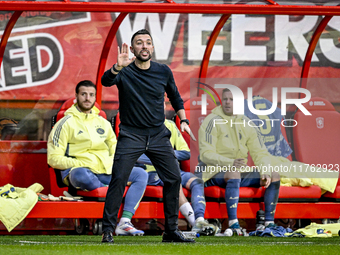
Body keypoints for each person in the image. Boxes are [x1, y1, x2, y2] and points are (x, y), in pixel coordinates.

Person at [100, 29, 195, 243]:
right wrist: (118, 66)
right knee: (119, 179)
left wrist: (184, 120)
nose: (144, 46)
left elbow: (175, 97)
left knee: (174, 178)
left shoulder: (163, 71)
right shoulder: (124, 70)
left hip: (158, 135)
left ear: (152, 48)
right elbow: (106, 81)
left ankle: (170, 231)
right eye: (139, 43)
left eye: (148, 42)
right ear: (133, 49)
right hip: (131, 135)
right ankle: (107, 230)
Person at [47, 80, 148, 236]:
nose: (87, 98)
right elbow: (53, 159)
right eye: (83, 94)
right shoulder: (65, 123)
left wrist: (123, 167)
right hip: (80, 172)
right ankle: (111, 191)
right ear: (76, 96)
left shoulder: (103, 123)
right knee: (81, 174)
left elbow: (117, 151)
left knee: (140, 174)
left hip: (105, 171)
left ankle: (125, 222)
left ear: (95, 98)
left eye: (91, 95)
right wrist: (80, 162)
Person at [197, 88, 281, 235]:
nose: (228, 102)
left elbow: (260, 152)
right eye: (225, 99)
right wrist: (230, 163)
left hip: (238, 172)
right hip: (213, 173)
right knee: (234, 173)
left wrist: (265, 172)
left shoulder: (247, 123)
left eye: (232, 99)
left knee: (274, 175)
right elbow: (205, 154)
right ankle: (233, 224)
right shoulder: (211, 121)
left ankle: (269, 223)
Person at [137, 102, 217, 236]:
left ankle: (200, 219)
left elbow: (186, 152)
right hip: (151, 172)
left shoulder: (171, 125)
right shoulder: (139, 126)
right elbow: (136, 155)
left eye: (160, 103)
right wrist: (160, 158)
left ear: (164, 106)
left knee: (197, 181)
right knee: (175, 181)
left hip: (171, 168)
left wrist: (165, 155)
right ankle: (194, 223)